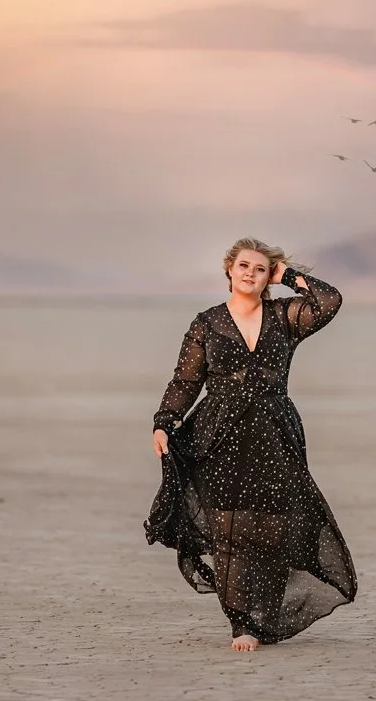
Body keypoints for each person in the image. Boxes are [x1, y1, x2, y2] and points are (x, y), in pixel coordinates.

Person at [144, 237, 357, 652]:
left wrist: (288, 276)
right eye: (243, 266)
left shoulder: (285, 316)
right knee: (230, 529)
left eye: (260, 269)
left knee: (274, 528)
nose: (250, 273)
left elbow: (329, 301)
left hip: (275, 432)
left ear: (268, 276)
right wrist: (164, 423)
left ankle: (266, 615)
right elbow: (186, 380)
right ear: (229, 269)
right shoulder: (207, 323)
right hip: (218, 433)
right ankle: (241, 622)